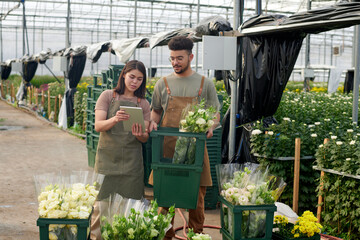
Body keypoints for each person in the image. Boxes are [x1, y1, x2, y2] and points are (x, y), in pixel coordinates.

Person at [149, 36, 221, 239]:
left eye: (179, 58)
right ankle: (165, 235)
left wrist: (210, 126)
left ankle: (196, 234)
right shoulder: (162, 84)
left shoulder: (204, 84)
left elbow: (215, 114)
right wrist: (152, 122)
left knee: (197, 197)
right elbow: (155, 112)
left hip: (195, 149)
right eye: (172, 58)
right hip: (168, 148)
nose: (175, 62)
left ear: (191, 56)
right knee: (164, 197)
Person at [90, 60, 150, 240]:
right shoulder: (108, 96)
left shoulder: (143, 103)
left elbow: (144, 137)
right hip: (108, 158)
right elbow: (98, 126)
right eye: (132, 77)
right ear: (123, 75)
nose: (135, 82)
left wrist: (139, 133)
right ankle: (96, 237)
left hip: (132, 162)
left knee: (130, 207)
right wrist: (115, 119)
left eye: (139, 79)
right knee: (101, 206)